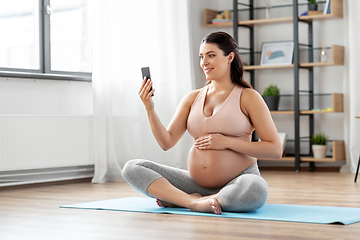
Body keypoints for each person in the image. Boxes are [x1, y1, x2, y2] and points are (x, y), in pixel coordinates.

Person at [122, 31, 282, 214]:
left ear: (230, 57)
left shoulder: (248, 96)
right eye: (201, 56)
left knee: (257, 189)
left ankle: (187, 200)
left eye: (211, 55)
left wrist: (227, 142)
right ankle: (193, 202)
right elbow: (166, 142)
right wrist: (149, 108)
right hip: (194, 184)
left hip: (239, 181)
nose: (204, 62)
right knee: (132, 168)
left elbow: (275, 149)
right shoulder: (192, 98)